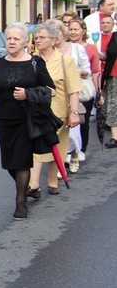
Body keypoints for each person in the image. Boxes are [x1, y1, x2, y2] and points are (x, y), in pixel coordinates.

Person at [0, 23, 55, 220]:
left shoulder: (35, 62)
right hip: (5, 120)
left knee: (21, 160)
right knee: (10, 163)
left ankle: (21, 202)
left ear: (25, 42)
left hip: (26, 119)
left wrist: (28, 93)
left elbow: (51, 90)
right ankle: (29, 186)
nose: (12, 42)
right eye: (9, 38)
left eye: (16, 38)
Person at [29, 22, 81, 196]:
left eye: (42, 38)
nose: (38, 41)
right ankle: (34, 185)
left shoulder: (65, 60)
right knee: (35, 146)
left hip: (58, 111)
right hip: (34, 111)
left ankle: (52, 181)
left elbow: (73, 89)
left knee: (55, 146)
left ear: (53, 40)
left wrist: (74, 113)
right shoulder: (30, 59)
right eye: (36, 37)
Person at [51, 19, 90, 173]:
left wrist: (76, 73)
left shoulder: (76, 49)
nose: (54, 35)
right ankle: (59, 165)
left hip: (72, 94)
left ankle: (74, 153)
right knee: (56, 132)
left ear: (63, 32)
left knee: (72, 131)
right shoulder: (48, 52)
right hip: (54, 96)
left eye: (57, 31)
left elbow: (87, 70)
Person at [69, 18, 101, 160]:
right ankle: (69, 150)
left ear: (83, 31)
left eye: (76, 29)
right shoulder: (65, 47)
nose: (73, 32)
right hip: (68, 89)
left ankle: (81, 149)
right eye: (70, 29)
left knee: (83, 120)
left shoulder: (91, 48)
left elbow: (94, 71)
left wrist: (98, 92)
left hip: (84, 89)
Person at [98, 15, 117, 148]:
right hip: (109, 74)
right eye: (103, 22)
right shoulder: (98, 37)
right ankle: (114, 136)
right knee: (109, 104)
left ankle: (115, 137)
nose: (105, 25)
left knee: (112, 105)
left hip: (114, 74)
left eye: (107, 22)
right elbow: (106, 55)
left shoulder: (114, 36)